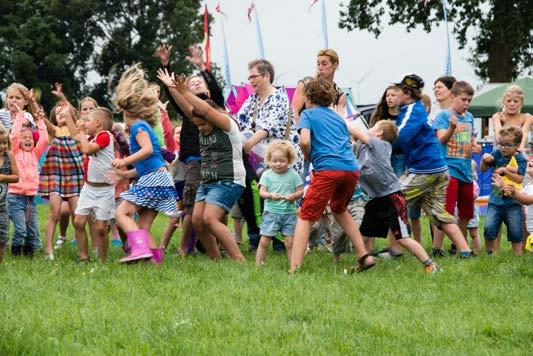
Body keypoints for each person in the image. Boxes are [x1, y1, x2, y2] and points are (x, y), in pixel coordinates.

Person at [289, 78, 374, 273]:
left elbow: (303, 141)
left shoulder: (307, 115)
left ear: (308, 98)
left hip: (327, 169)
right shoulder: (338, 117)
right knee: (339, 208)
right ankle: (363, 255)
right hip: (350, 169)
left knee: (305, 216)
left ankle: (294, 268)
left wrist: (309, 156)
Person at [164, 73, 246, 261]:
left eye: (202, 125)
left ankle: (238, 259)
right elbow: (190, 110)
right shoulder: (201, 120)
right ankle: (216, 259)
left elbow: (207, 112)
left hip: (228, 179)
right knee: (197, 220)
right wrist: (174, 89)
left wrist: (186, 91)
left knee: (210, 219)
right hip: (208, 181)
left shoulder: (226, 124)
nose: (199, 128)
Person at [156, 44, 224, 257]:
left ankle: (217, 246)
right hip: (194, 161)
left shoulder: (215, 106)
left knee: (218, 206)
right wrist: (166, 65)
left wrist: (203, 67)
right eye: (192, 83)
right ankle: (185, 248)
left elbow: (217, 89)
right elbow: (175, 92)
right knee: (191, 207)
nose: (195, 83)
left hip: (215, 162)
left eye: (199, 82)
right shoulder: (189, 111)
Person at [393, 74, 472, 258]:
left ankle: (395, 248)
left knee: (392, 197)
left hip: (424, 168)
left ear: (406, 92)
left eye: (397, 92)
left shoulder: (413, 109)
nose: (394, 96)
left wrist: (379, 140)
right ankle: (465, 251)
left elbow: (402, 135)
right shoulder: (413, 110)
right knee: (438, 212)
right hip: (439, 169)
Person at [349, 120, 440, 273]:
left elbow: (357, 132)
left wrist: (339, 116)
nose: (368, 129)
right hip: (376, 199)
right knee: (364, 234)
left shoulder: (382, 146)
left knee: (402, 238)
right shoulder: (364, 148)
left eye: (373, 127)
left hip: (392, 198)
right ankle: (362, 262)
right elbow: (352, 141)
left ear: (379, 133)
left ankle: (430, 264)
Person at [111, 63, 177, 264]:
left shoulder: (139, 126)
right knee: (143, 226)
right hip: (159, 178)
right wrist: (124, 175)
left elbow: (147, 150)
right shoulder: (143, 126)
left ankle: (139, 249)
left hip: (154, 179)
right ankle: (155, 262)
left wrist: (124, 161)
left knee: (121, 213)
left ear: (129, 111)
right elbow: (147, 163)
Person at [237, 59, 304, 252]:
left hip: (284, 156)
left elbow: (267, 128)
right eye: (249, 77)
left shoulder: (278, 97)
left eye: (254, 76)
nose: (251, 80)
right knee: (266, 196)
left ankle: (288, 243)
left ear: (267, 77)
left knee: (285, 198)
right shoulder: (253, 99)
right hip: (264, 157)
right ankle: (267, 239)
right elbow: (238, 120)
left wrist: (247, 145)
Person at [432, 81, 481, 253]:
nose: (467, 103)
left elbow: (471, 139)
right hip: (448, 169)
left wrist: (475, 146)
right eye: (464, 99)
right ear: (453, 97)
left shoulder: (470, 117)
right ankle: (437, 247)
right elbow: (440, 140)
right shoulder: (444, 116)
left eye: (469, 100)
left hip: (466, 170)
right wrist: (452, 128)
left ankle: (457, 245)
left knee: (466, 212)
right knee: (446, 211)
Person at [39, 86, 84, 260]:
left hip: (74, 176)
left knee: (77, 215)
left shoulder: (77, 132)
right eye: (58, 112)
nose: (62, 113)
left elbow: (70, 110)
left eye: (64, 111)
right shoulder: (55, 131)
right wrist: (34, 104)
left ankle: (82, 251)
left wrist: (62, 97)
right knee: (54, 213)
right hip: (56, 176)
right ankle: (49, 250)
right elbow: (42, 117)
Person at [66, 106, 115, 262]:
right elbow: (75, 136)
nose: (85, 123)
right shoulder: (93, 137)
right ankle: (84, 257)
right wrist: (68, 115)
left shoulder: (105, 136)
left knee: (101, 228)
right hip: (89, 189)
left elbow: (86, 150)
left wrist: (81, 132)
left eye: (88, 120)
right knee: (78, 222)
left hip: (105, 191)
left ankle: (102, 260)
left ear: (98, 123)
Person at [8, 103, 48, 257]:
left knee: (31, 229)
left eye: (30, 138)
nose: (27, 140)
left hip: (30, 198)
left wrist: (40, 121)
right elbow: (13, 136)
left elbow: (44, 140)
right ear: (18, 141)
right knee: (21, 229)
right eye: (24, 138)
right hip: (15, 198)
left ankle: (29, 254)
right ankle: (16, 252)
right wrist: (19, 116)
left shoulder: (35, 154)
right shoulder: (15, 152)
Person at [256, 140, 303, 266]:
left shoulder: (293, 175)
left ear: (289, 160)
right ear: (269, 160)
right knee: (264, 241)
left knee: (289, 242)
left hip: (289, 214)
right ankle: (258, 265)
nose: (278, 164)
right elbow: (262, 192)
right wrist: (270, 195)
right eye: (274, 161)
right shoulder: (267, 175)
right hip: (271, 213)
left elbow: (300, 191)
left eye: (282, 161)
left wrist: (294, 196)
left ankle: (293, 266)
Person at [481, 126, 526, 255]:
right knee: (489, 227)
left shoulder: (520, 158)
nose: (503, 148)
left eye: (508, 145)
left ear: (517, 145)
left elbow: (519, 179)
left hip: (513, 203)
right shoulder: (496, 153)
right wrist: (485, 159)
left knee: (515, 230)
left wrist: (505, 170)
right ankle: (489, 254)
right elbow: (483, 169)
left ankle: (518, 255)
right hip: (495, 201)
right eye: (501, 144)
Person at [292, 49, 346, 124]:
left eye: (324, 64)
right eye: (318, 64)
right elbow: (294, 112)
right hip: (304, 130)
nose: (320, 68)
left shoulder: (340, 95)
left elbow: (339, 122)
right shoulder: (305, 84)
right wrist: (300, 132)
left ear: (335, 65)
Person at [0, 123, 19, 263]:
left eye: (5, 143)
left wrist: (2, 177)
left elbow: (16, 177)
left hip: (3, 204)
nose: (3, 146)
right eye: (0, 143)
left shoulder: (9, 155)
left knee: (3, 234)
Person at [492, 85, 532, 152]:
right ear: (504, 102)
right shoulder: (497, 116)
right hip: (501, 157)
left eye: (516, 101)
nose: (512, 104)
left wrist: (518, 150)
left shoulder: (528, 117)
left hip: (519, 156)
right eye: (509, 101)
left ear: (521, 103)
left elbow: (523, 134)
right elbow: (498, 136)